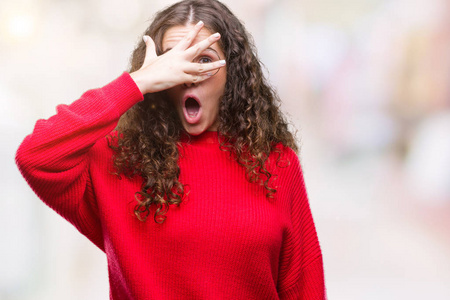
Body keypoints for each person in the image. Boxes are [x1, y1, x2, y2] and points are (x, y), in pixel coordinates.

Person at [15, 0, 326, 299]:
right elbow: (37, 155)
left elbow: (303, 287)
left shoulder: (275, 162)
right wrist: (138, 82)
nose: (186, 75)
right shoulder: (119, 160)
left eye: (204, 59)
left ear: (232, 72)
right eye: (172, 61)